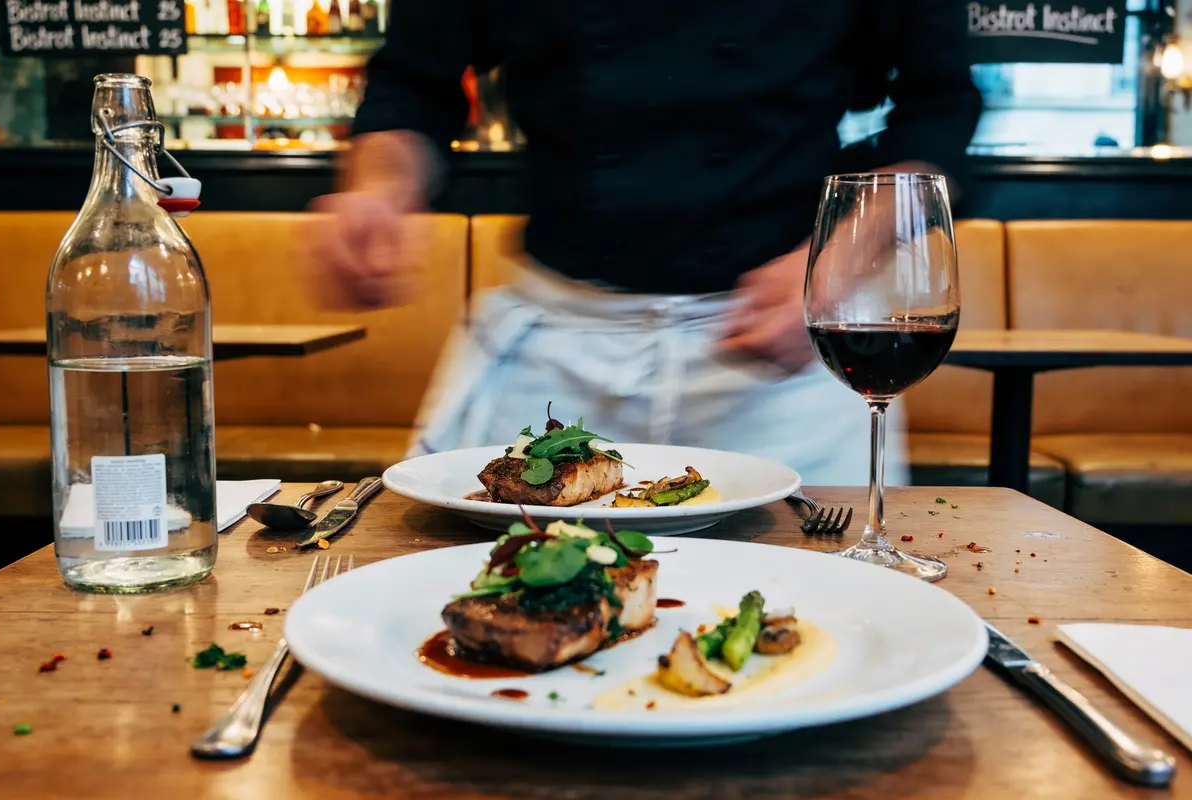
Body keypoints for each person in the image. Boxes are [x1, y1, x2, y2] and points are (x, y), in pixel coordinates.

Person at [301, 1, 982, 485]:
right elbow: (413, 82)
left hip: (782, 360)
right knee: (483, 603)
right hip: (561, 346)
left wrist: (835, 263)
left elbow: (940, 103)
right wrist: (380, 189)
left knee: (820, 616)